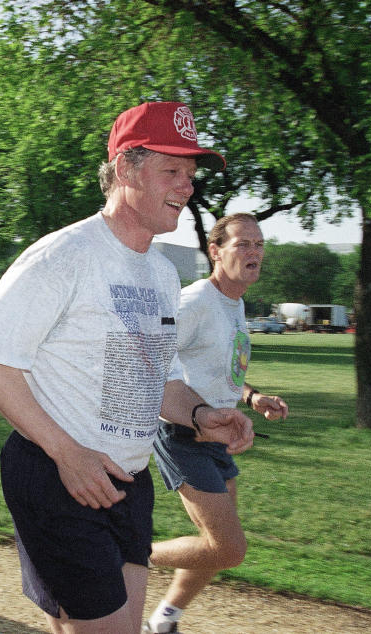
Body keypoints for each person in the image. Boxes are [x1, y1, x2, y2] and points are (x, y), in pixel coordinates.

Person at [0, 101, 255, 634]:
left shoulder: (164, 275)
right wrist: (67, 453)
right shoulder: (64, 256)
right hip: (59, 475)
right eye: (172, 171)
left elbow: (158, 379)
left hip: (128, 479)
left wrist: (201, 415)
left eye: (190, 175)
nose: (187, 187)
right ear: (125, 168)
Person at [144, 213, 289, 634]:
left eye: (259, 244)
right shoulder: (195, 303)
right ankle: (131, 552)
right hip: (184, 434)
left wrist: (251, 396)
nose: (254, 252)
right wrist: (195, 414)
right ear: (215, 251)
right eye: (243, 244)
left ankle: (164, 619)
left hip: (218, 436)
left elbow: (219, 368)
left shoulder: (234, 302)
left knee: (217, 550)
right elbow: (153, 360)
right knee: (229, 549)